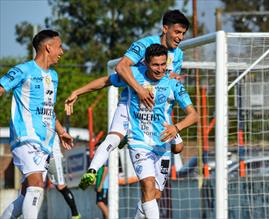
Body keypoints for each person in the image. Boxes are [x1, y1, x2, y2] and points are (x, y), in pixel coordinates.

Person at [65, 10, 190, 188]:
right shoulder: (145, 45)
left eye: (183, 34)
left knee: (178, 148)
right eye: (177, 32)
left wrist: (174, 78)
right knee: (114, 138)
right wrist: (139, 89)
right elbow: (121, 67)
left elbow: (168, 79)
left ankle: (133, 136)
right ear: (165, 28)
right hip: (131, 103)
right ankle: (93, 170)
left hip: (156, 112)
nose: (180, 37)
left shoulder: (178, 54)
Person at [110, 44, 198, 219]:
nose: (160, 69)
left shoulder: (173, 84)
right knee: (148, 186)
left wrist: (176, 128)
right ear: (147, 64)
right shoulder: (135, 75)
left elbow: (193, 115)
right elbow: (106, 81)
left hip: (162, 143)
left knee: (154, 195)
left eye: (163, 64)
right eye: (155, 65)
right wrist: (78, 91)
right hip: (139, 141)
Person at [0, 29, 74, 219]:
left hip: (44, 142)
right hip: (25, 137)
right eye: (60, 46)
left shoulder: (54, 76)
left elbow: (48, 109)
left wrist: (60, 131)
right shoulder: (24, 70)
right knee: (36, 185)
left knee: (27, 193)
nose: (62, 51)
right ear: (48, 47)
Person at [48, 134, 80, 219]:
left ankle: (75, 214)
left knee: (61, 186)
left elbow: (59, 130)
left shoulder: (50, 122)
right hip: (45, 158)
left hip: (54, 157)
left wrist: (63, 134)